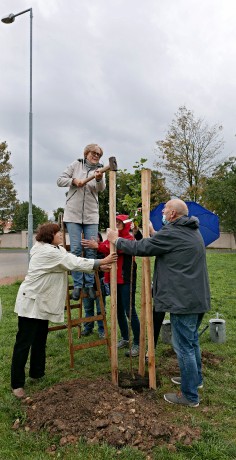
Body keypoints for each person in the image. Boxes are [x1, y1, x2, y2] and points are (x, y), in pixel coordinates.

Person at [107, 199, 211, 407]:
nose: (162, 211)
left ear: (172, 213)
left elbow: (143, 247)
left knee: (183, 347)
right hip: (195, 297)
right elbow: (165, 243)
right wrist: (154, 232)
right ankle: (195, 380)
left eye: (165, 209)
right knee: (191, 342)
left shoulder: (173, 233)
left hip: (183, 300)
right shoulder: (190, 229)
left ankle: (189, 396)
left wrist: (117, 241)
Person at [11, 223, 117, 399]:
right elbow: (72, 262)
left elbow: (68, 259)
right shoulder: (47, 252)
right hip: (31, 301)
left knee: (39, 338)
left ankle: (37, 372)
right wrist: (101, 261)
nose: (61, 234)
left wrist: (97, 267)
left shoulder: (55, 248)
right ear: (49, 236)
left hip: (41, 301)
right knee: (23, 343)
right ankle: (17, 384)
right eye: (57, 232)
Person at [82, 215, 140, 357]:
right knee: (118, 310)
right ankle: (125, 338)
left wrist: (100, 246)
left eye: (120, 222)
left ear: (126, 224)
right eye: (115, 222)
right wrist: (101, 246)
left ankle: (138, 343)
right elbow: (107, 246)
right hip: (114, 279)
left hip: (126, 279)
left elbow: (118, 248)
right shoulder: (112, 237)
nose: (117, 224)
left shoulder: (129, 239)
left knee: (129, 310)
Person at [57, 144, 106, 301]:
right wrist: (73, 180)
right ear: (86, 153)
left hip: (91, 216)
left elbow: (101, 189)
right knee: (77, 249)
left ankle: (90, 284)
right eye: (94, 153)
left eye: (99, 154)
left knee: (91, 250)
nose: (96, 156)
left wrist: (98, 179)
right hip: (73, 215)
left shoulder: (99, 170)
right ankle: (78, 285)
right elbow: (59, 180)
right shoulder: (75, 165)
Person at [81, 232, 110, 339]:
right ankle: (88, 328)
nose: (94, 238)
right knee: (88, 308)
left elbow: (104, 263)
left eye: (97, 236)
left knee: (100, 308)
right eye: (92, 237)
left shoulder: (102, 250)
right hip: (86, 284)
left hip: (99, 284)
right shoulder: (83, 252)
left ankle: (102, 330)